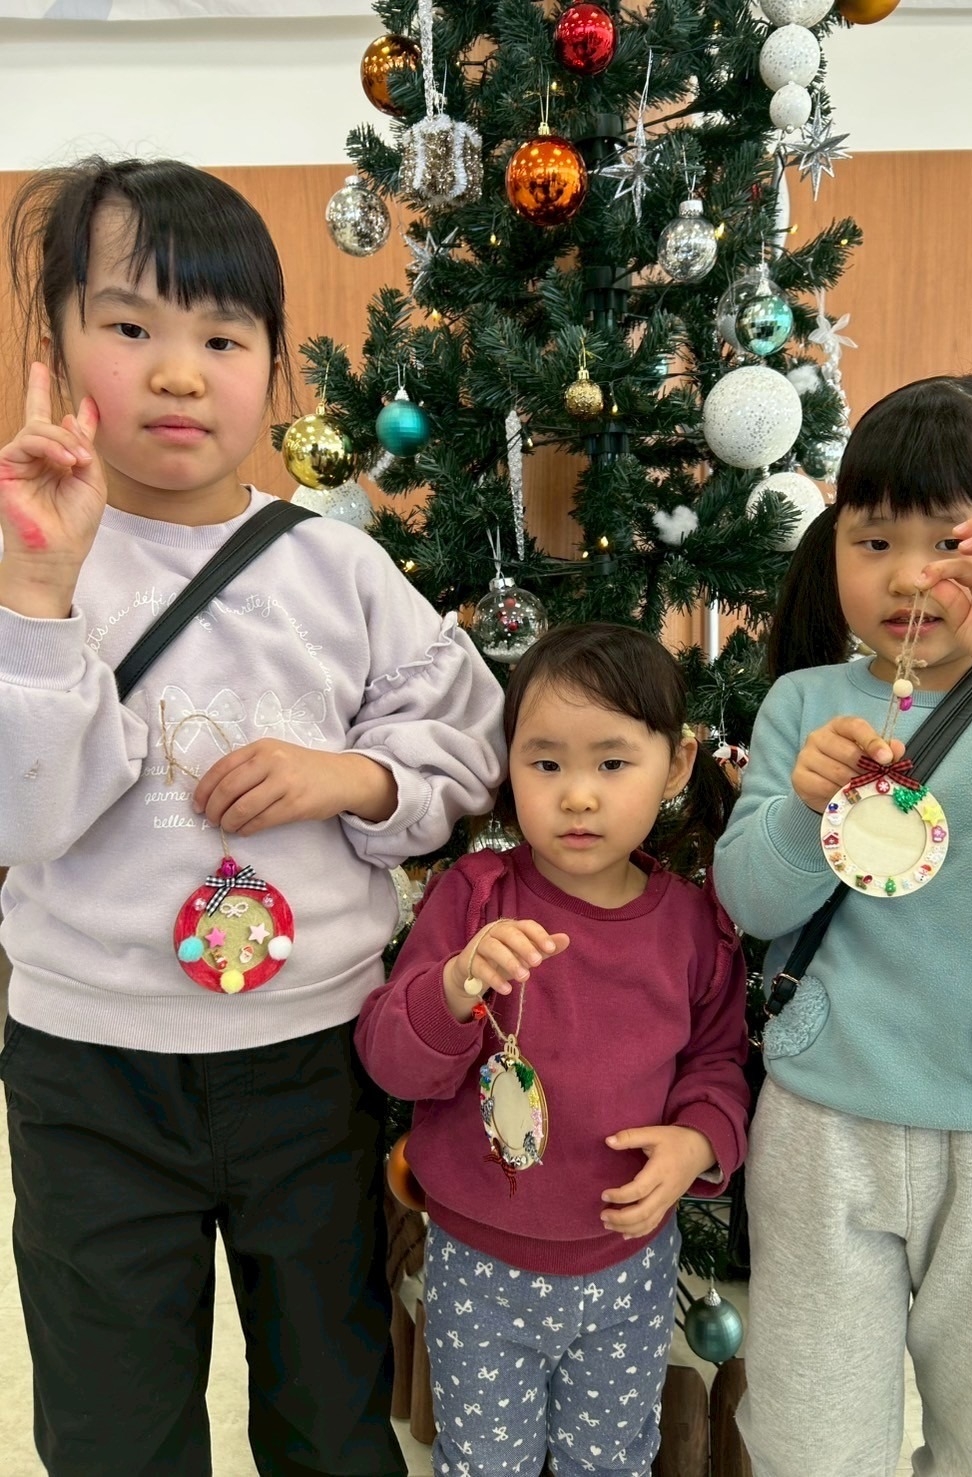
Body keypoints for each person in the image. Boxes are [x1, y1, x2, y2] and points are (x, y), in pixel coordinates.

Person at [0, 156, 505, 1477]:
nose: (179, 374)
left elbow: (465, 730)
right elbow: (22, 818)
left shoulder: (337, 565)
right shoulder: (23, 558)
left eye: (222, 338)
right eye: (129, 326)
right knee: (112, 1428)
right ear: (54, 350)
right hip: (91, 1072)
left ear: (275, 366)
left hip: (311, 1060)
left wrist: (356, 778)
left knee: (331, 1411)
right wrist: (38, 597)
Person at [713, 374, 972, 1477]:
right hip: (827, 1119)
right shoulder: (804, 702)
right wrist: (802, 808)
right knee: (806, 1437)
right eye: (874, 539)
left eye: (951, 541)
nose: (907, 576)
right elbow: (751, 902)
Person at [357, 622, 750, 1477]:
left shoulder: (693, 925)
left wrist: (697, 1142)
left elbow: (719, 1064)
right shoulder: (474, 898)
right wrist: (454, 986)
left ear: (677, 764)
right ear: (509, 764)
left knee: (610, 1461)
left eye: (612, 763)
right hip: (478, 1264)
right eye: (545, 763)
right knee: (482, 1463)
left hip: (628, 1266)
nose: (577, 796)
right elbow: (389, 1058)